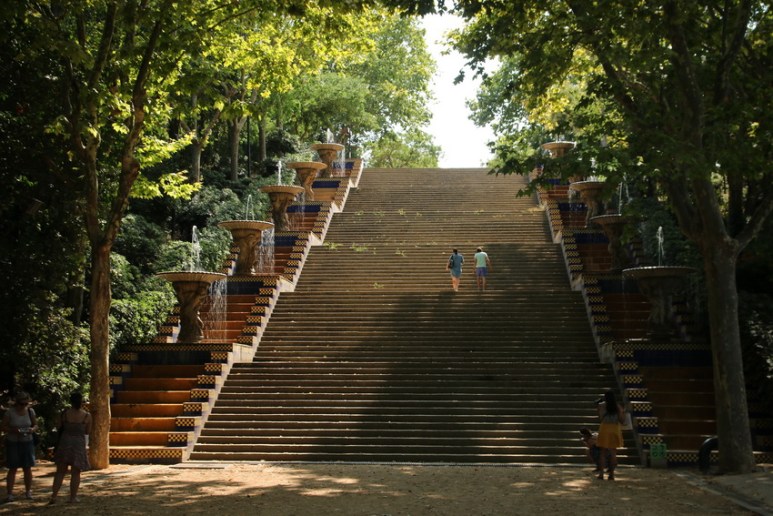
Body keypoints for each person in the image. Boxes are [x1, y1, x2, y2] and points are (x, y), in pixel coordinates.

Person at [49, 391, 91, 505]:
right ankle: (73, 497)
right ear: (81, 402)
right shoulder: (86, 416)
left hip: (65, 442)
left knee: (60, 472)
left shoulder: (64, 414)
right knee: (76, 472)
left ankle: (54, 496)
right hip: (78, 443)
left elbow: (59, 427)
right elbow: (87, 431)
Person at [2, 391, 37, 502]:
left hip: (27, 441)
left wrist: (32, 430)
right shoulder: (9, 413)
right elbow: (3, 427)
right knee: (13, 468)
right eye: (21, 404)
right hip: (13, 441)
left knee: (27, 467)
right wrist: (14, 430)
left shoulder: (30, 411)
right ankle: (10, 494)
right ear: (16, 403)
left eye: (26, 404)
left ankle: (28, 491)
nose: (23, 406)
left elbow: (35, 425)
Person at [596, 390, 625, 480]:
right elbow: (622, 420)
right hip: (615, 429)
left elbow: (601, 418)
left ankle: (601, 474)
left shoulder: (601, 406)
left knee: (603, 452)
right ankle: (611, 474)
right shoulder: (617, 406)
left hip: (605, 428)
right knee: (613, 452)